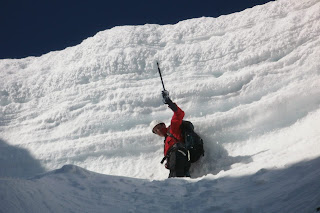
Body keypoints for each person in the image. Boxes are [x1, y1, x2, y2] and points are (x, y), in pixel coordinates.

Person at [150, 91, 191, 178]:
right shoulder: (166, 141)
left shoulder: (172, 129)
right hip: (178, 162)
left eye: (158, 127)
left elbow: (179, 114)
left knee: (175, 184)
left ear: (163, 125)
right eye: (155, 130)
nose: (158, 130)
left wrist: (169, 102)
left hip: (179, 156)